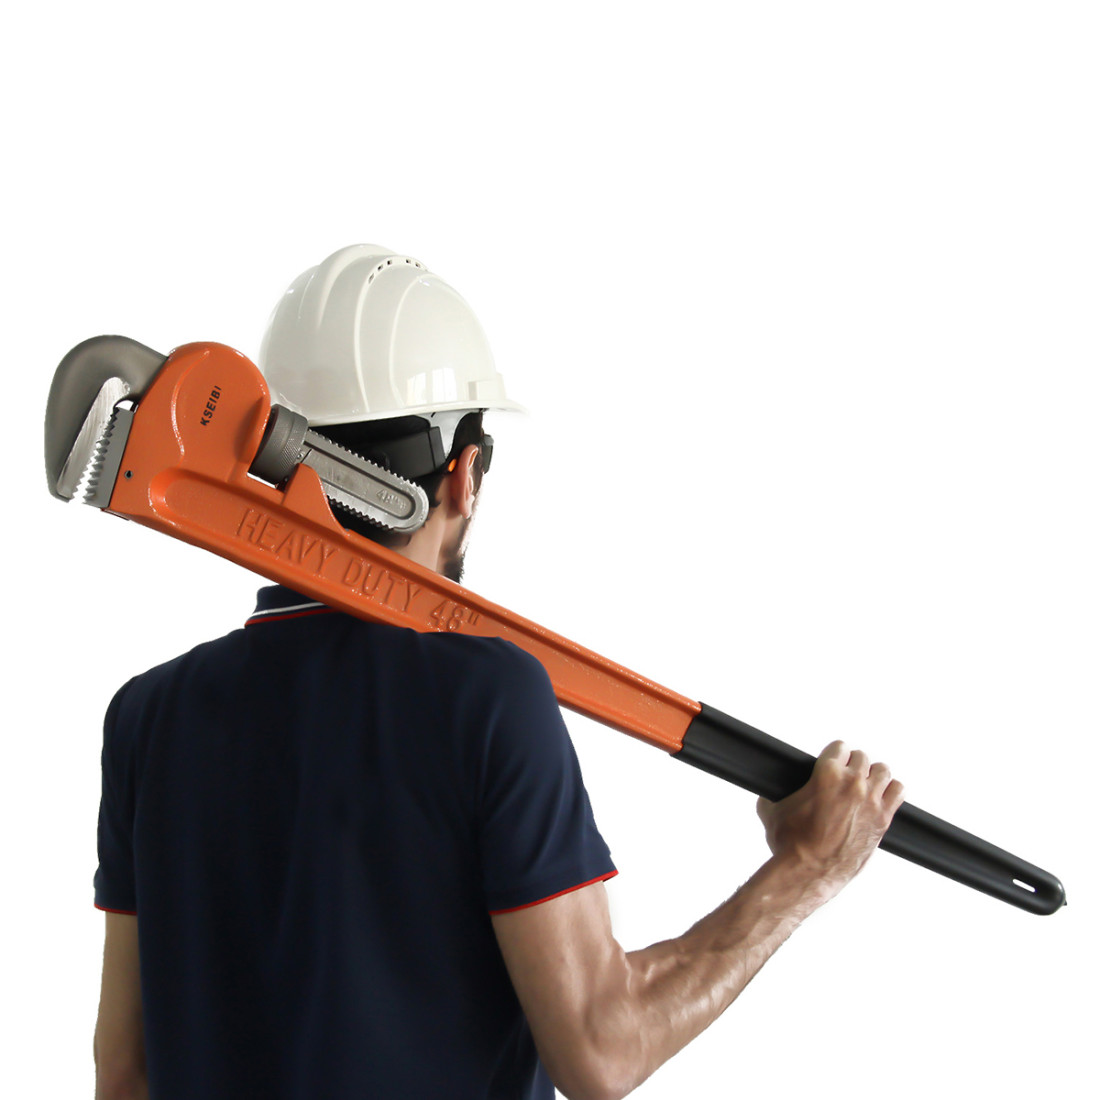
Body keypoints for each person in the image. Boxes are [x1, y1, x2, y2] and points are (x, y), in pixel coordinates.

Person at [91, 246, 905, 1100]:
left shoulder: (149, 717)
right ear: (465, 476)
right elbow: (603, 1048)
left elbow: (125, 1072)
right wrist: (805, 869)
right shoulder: (488, 698)